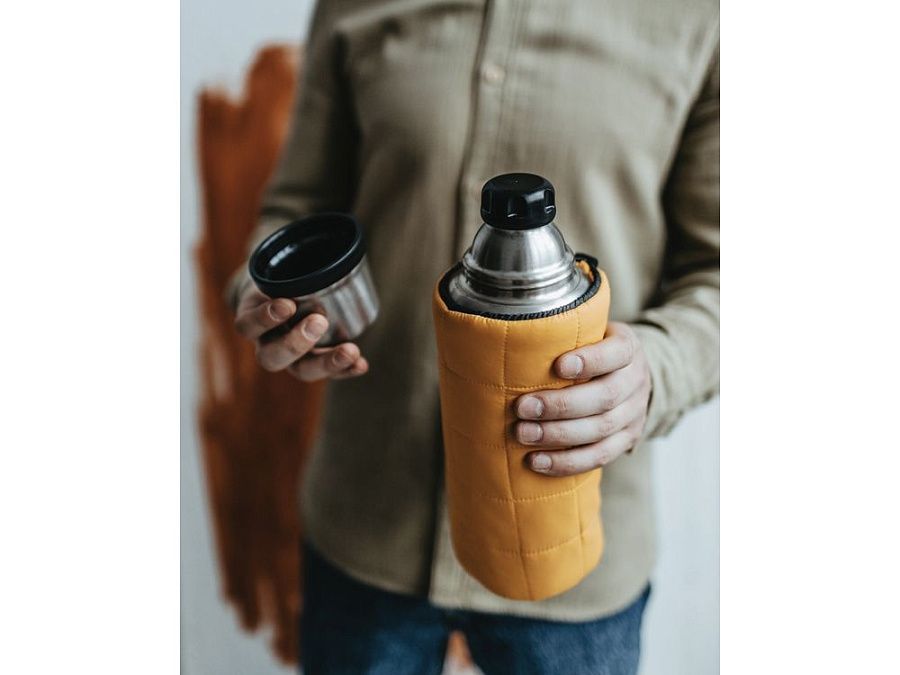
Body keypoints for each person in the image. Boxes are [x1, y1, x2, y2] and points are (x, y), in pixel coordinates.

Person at [230, 0, 719, 672]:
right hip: (366, 524)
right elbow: (294, 213)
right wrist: (266, 300)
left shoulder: (701, 19)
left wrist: (653, 372)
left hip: (573, 549)